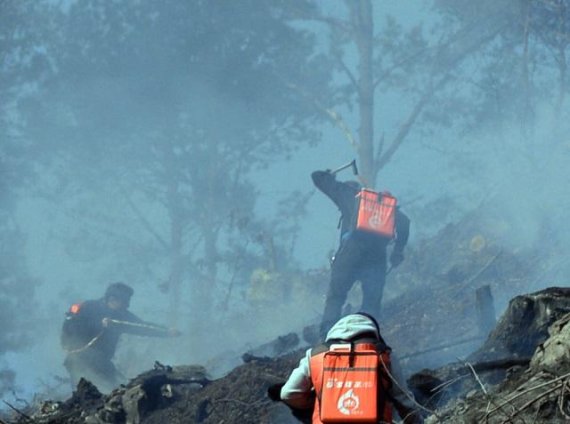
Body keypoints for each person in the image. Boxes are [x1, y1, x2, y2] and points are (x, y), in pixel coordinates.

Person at [312, 169, 410, 337]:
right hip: (377, 256)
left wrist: (330, 175)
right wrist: (397, 251)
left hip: (351, 252)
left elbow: (316, 177)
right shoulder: (383, 205)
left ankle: (327, 336)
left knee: (336, 295)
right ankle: (367, 336)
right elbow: (405, 222)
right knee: (371, 299)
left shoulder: (346, 194)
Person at [279, 313, 423, 424]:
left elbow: (288, 393)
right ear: (372, 332)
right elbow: (405, 401)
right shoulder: (385, 355)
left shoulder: (315, 355)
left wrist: (320, 402)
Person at [61, 282, 179, 393]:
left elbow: (141, 327)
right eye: (125, 301)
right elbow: (71, 328)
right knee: (84, 391)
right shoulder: (88, 308)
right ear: (112, 299)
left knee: (116, 387)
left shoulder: (120, 315)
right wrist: (98, 323)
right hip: (79, 360)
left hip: (103, 363)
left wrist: (166, 332)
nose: (127, 305)